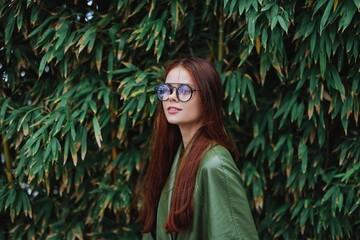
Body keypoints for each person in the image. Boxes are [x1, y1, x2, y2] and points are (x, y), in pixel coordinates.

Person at [138, 57, 259, 240]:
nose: (171, 97)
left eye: (184, 90)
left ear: (207, 97)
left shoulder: (215, 164)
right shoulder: (174, 154)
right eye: (166, 90)